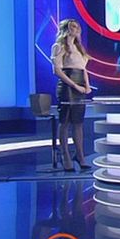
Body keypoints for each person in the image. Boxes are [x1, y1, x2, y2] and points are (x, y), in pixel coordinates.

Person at [51, 18, 92, 171]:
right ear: (66, 29)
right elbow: (57, 70)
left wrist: (86, 86)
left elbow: (83, 69)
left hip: (80, 84)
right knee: (65, 122)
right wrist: (74, 85)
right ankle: (65, 156)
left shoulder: (79, 48)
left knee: (78, 123)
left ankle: (80, 156)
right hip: (67, 85)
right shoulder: (59, 46)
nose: (76, 29)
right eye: (72, 26)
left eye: (77, 26)